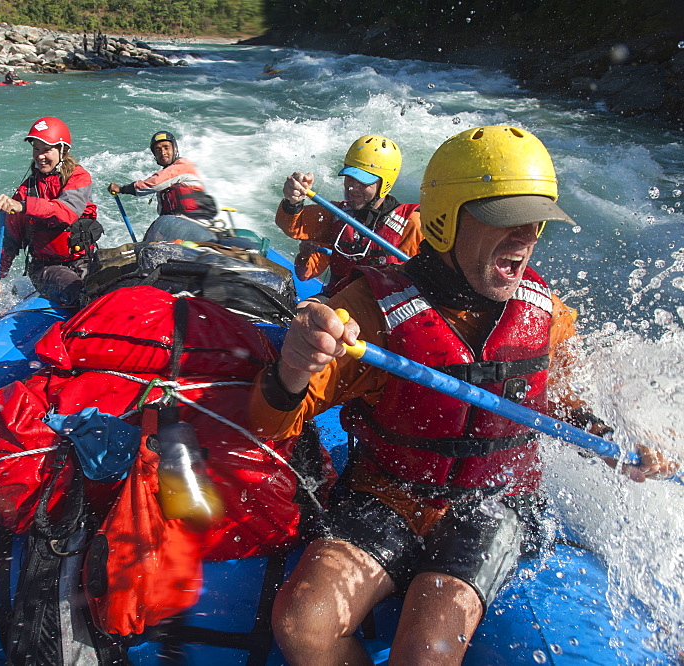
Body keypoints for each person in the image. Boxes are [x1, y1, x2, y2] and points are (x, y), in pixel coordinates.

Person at [251, 125, 677, 665]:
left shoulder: (547, 315)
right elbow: (271, 423)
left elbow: (566, 403)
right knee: (302, 627)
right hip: (387, 491)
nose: (525, 237)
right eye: (504, 220)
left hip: (493, 501)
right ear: (447, 220)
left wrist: (620, 443)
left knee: (425, 651)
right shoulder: (365, 313)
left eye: (535, 220)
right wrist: (292, 365)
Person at [278, 134, 422, 291]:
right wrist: (293, 201)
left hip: (383, 308)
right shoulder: (337, 214)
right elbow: (294, 226)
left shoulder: (412, 223)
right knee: (304, 310)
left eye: (363, 182)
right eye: (350, 178)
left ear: (385, 183)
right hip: (338, 300)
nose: (352, 187)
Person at [0, 116, 102, 305]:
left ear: (62, 150)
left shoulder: (79, 177)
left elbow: (67, 211)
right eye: (36, 149)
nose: (40, 156)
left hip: (83, 259)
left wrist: (24, 206)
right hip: (46, 268)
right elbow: (10, 241)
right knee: (82, 296)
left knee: (107, 293)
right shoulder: (25, 191)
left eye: (46, 150)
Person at [107, 130, 219, 243]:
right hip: (180, 229)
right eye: (158, 150)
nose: (163, 152)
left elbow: (153, 183)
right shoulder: (166, 182)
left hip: (196, 226)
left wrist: (122, 189)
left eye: (166, 147)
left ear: (175, 149)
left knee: (161, 224)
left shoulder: (183, 165)